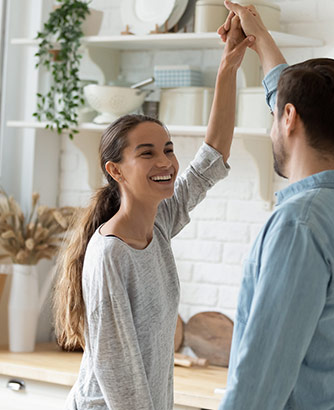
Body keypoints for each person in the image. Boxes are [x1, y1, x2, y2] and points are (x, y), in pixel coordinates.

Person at [53, 17, 254, 410]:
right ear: (115, 170)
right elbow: (117, 369)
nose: (165, 162)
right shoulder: (111, 253)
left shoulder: (159, 224)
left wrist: (229, 66)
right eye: (147, 153)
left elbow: (212, 158)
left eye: (168, 148)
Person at [217, 2, 334, 409]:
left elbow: (260, 383)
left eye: (276, 116)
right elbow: (289, 99)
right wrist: (260, 38)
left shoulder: (299, 226)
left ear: (289, 118)